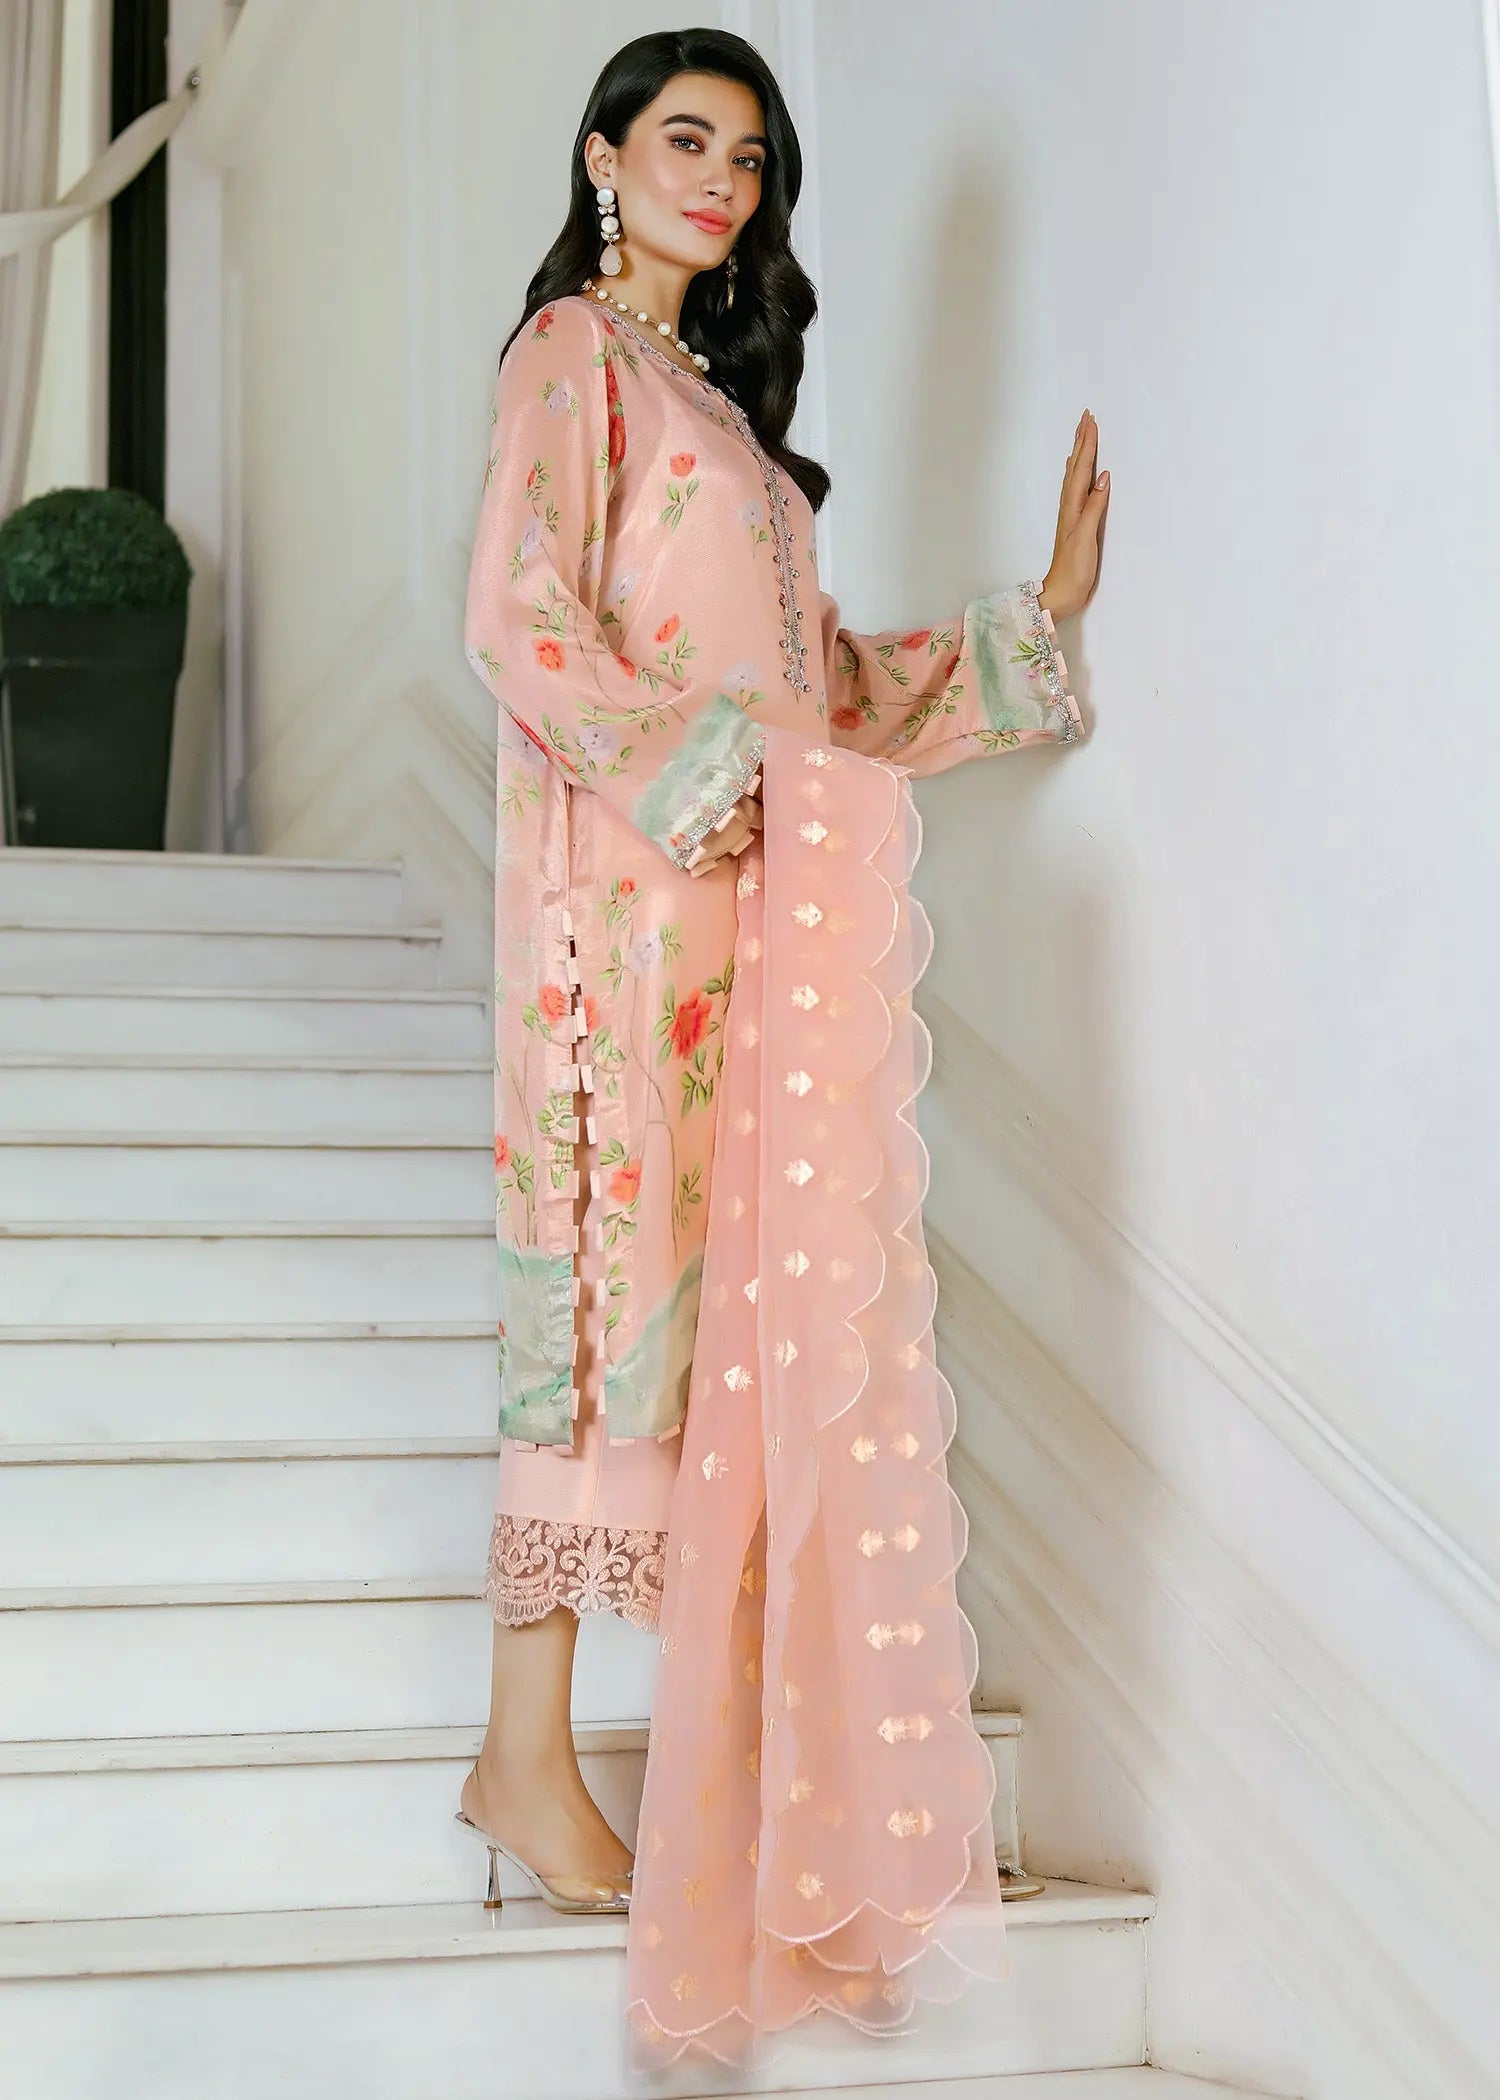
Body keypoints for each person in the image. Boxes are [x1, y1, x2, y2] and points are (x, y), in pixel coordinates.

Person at [459, 25, 1106, 2065]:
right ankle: (524, 1749)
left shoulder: (728, 430)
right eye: (685, 139)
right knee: (600, 1300)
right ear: (603, 157)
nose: (720, 178)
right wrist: (689, 769)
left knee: (717, 1320)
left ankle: (686, 1763)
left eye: (748, 154)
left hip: (745, 925)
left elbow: (829, 692)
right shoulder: (570, 360)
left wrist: (1029, 623)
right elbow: (516, 617)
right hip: (616, 911)